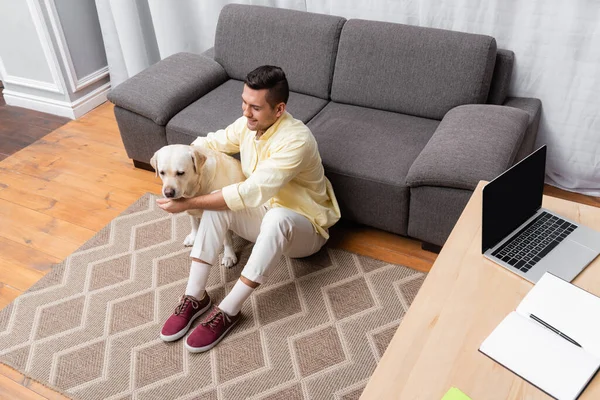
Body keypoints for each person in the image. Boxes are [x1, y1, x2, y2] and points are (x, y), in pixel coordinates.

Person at [156, 65, 340, 352]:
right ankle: (195, 296)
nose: (245, 112)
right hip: (262, 215)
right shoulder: (249, 125)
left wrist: (188, 203)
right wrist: (181, 158)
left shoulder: (296, 141)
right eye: (244, 102)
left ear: (279, 110)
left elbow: (251, 191)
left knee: (273, 216)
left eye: (255, 107)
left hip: (305, 228)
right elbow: (208, 143)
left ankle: (228, 310)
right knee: (219, 199)